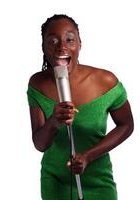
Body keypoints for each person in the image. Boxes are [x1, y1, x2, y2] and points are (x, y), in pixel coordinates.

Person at [27, 14, 134, 200]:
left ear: (80, 43)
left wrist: (88, 156)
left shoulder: (105, 82)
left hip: (98, 181)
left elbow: (126, 125)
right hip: (55, 183)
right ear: (43, 47)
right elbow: (40, 144)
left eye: (69, 39)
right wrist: (53, 121)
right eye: (52, 41)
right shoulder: (37, 83)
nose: (62, 47)